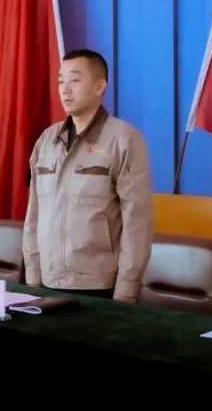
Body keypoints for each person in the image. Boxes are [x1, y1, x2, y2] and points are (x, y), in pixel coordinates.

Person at [22, 49, 153, 302]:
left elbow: (137, 222)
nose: (65, 89)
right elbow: (34, 213)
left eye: (74, 80)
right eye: (61, 81)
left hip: (98, 284)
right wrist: (33, 274)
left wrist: (127, 287)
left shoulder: (124, 139)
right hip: (46, 280)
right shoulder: (47, 140)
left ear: (99, 87)